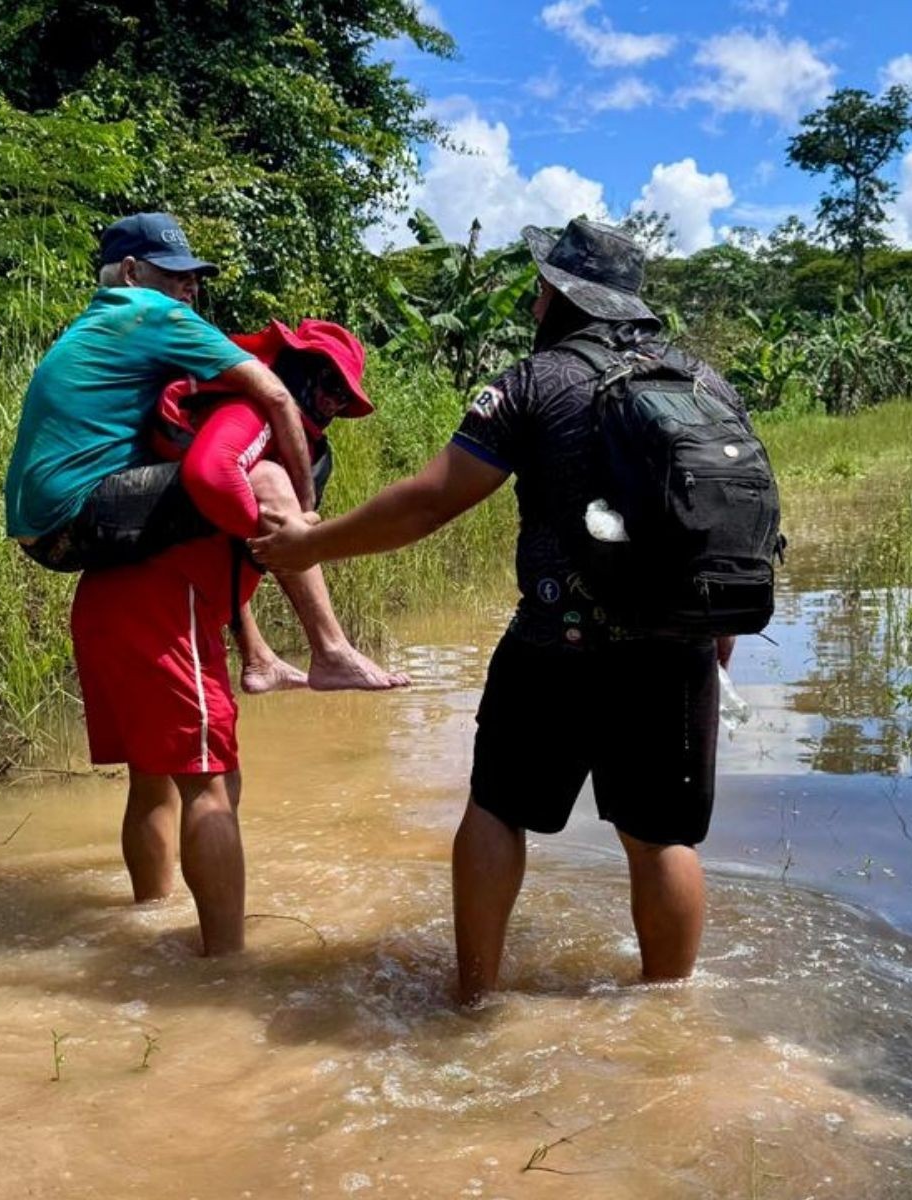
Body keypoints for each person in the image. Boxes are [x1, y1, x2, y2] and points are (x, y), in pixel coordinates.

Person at [254, 218, 748, 1002]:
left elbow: (427, 502)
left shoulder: (533, 382)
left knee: (496, 810)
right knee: (661, 839)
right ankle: (666, 1021)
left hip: (557, 645)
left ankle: (474, 998)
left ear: (557, 293)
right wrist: (712, 639)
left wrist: (310, 544)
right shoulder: (706, 384)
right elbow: (731, 525)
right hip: (678, 649)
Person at [4, 211, 406, 692]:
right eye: (176, 274)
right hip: (76, 514)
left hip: (41, 529)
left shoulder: (98, 324)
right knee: (264, 480)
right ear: (132, 274)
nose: (190, 288)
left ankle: (257, 655)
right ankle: (331, 649)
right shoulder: (153, 313)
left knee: (220, 481)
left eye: (194, 278)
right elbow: (276, 395)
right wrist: (304, 512)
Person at [70, 328, 377, 955]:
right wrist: (284, 543)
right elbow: (213, 478)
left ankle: (151, 923)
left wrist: (253, 646)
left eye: (344, 397)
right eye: (326, 384)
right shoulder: (252, 410)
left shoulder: (204, 404)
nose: (331, 404)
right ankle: (224, 970)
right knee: (212, 785)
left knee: (152, 779)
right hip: (164, 604)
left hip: (110, 598)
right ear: (291, 368)